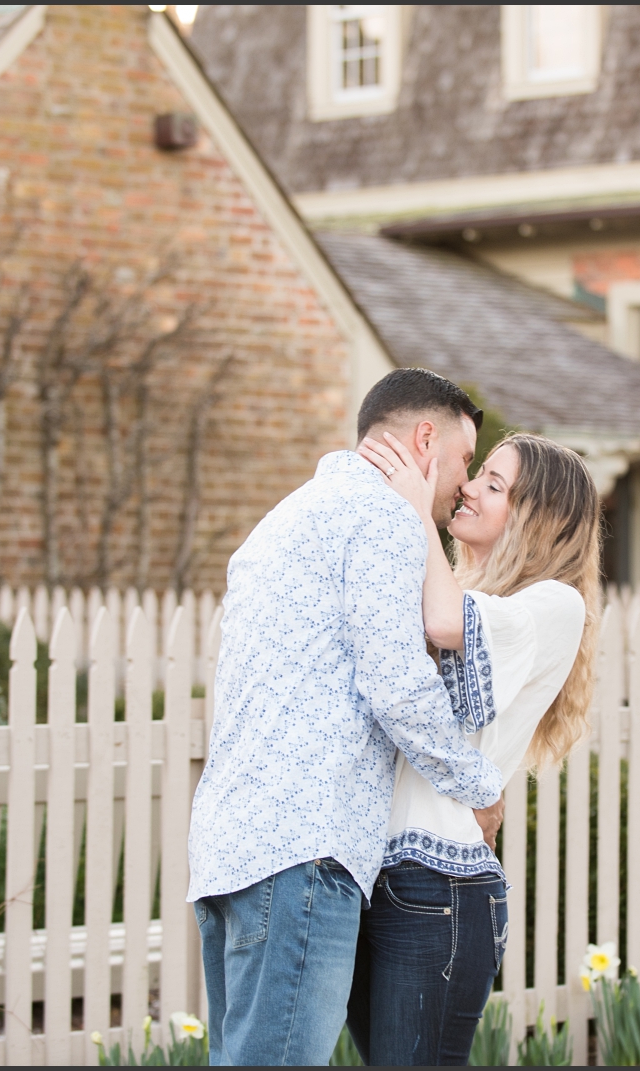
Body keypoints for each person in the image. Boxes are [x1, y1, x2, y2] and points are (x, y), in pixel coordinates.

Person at [186, 369, 508, 1066]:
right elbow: (397, 683)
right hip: (304, 848)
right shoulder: (383, 515)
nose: (462, 483)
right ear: (426, 440)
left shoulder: (286, 517)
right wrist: (479, 784)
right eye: (462, 461)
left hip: (228, 848)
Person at [346, 430, 603, 1066]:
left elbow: (445, 623)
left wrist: (415, 507)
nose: (467, 488)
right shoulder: (453, 583)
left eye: (495, 485)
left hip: (438, 891)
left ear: (538, 521)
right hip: (368, 874)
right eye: (478, 473)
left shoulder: (555, 605)